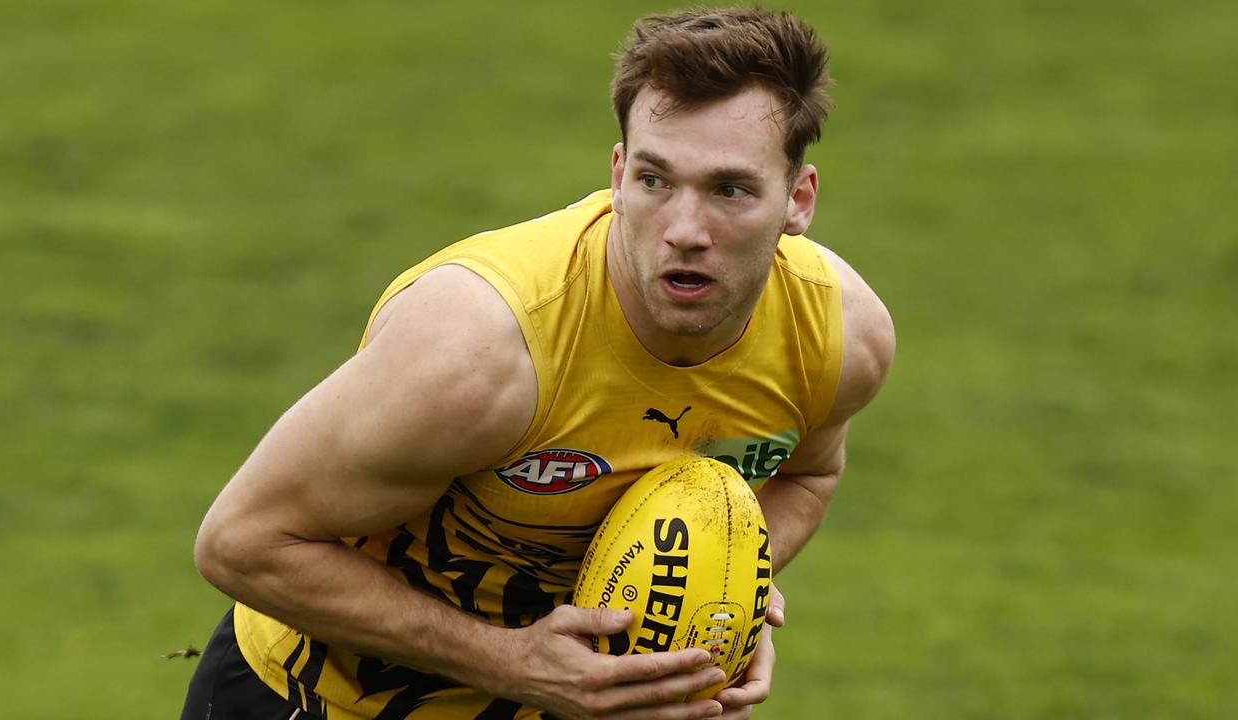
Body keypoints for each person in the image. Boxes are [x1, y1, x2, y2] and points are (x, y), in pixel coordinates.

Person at [183, 7, 894, 720]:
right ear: (617, 176)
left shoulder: (836, 337)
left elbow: (806, 475)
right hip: (316, 700)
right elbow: (241, 543)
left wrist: (725, 598)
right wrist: (512, 664)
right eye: (654, 180)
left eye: (729, 190)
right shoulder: (481, 351)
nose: (684, 231)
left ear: (796, 201)